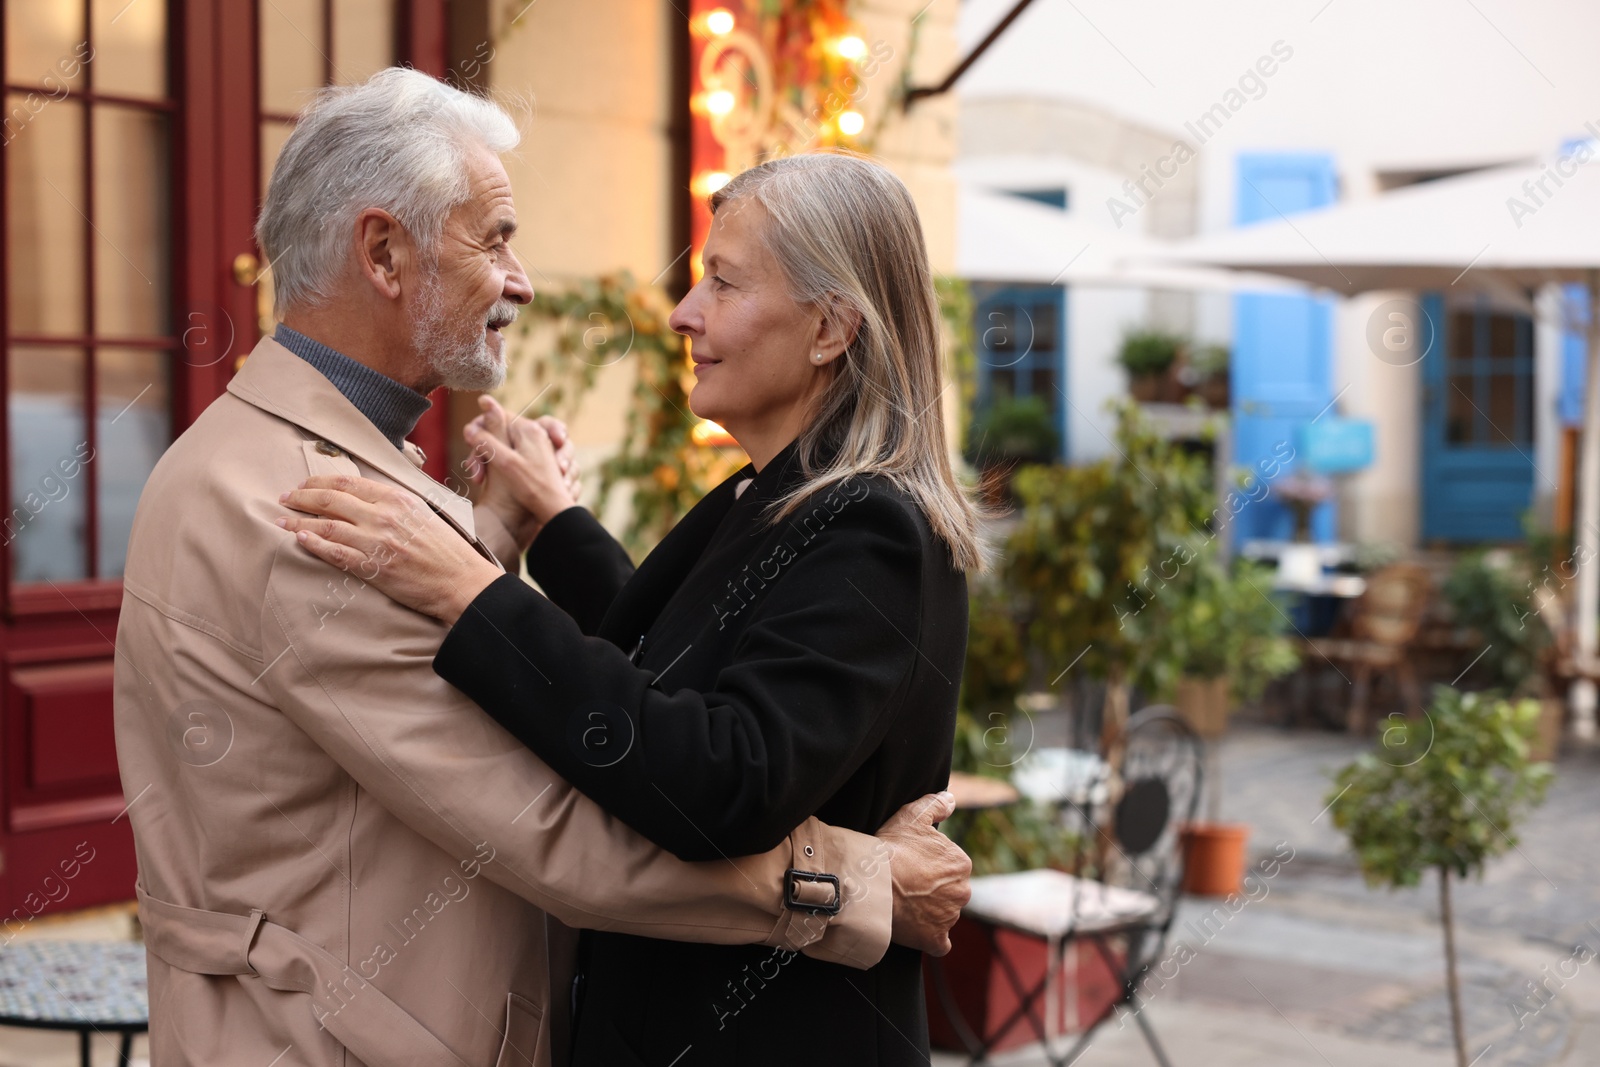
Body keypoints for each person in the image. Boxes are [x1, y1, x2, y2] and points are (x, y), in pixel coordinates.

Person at [113, 69, 970, 1067]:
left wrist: (497, 542)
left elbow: (632, 693)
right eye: (495, 238)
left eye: (722, 282)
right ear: (385, 252)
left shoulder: (335, 474)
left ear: (830, 329)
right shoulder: (311, 510)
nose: (521, 280)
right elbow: (556, 826)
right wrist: (867, 886)